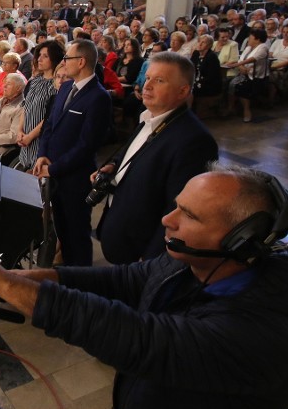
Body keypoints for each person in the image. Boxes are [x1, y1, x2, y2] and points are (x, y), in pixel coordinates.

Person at [0, 163, 288, 409]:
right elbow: (123, 280)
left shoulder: (265, 337)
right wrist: (17, 278)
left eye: (188, 215)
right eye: (177, 205)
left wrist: (6, 287)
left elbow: (137, 338)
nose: (167, 220)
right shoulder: (194, 262)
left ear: (241, 240)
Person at [94, 52, 219, 264]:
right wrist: (114, 166)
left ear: (183, 91)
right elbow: (139, 154)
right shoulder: (148, 118)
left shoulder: (194, 141)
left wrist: (152, 258)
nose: (147, 85)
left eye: (159, 80)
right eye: (148, 77)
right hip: (122, 229)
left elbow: (180, 209)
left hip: (142, 251)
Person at [33, 39, 111, 266]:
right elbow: (50, 125)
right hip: (54, 171)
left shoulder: (98, 97)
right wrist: (42, 154)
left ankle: (82, 280)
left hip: (75, 177)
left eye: (67, 58)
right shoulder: (67, 87)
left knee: (77, 232)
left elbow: (87, 145)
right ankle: (68, 273)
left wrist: (53, 168)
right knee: (62, 230)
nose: (63, 62)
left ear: (81, 61)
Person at [17, 41, 64, 171]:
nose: (39, 59)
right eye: (39, 55)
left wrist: (30, 136)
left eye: (45, 56)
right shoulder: (34, 81)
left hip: (40, 143)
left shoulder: (56, 85)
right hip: (25, 141)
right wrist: (20, 130)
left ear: (55, 58)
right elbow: (25, 107)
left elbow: (50, 117)